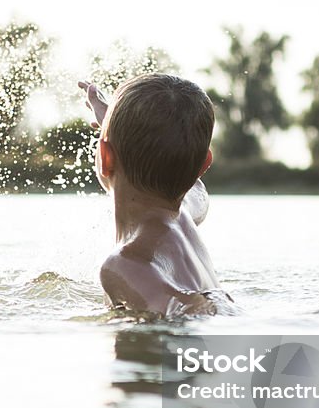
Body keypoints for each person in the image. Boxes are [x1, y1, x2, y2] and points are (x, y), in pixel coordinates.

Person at [78, 74, 233, 316]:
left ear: (105, 157)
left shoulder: (125, 264)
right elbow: (196, 189)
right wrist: (115, 125)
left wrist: (115, 132)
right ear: (204, 166)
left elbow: (194, 313)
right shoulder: (184, 216)